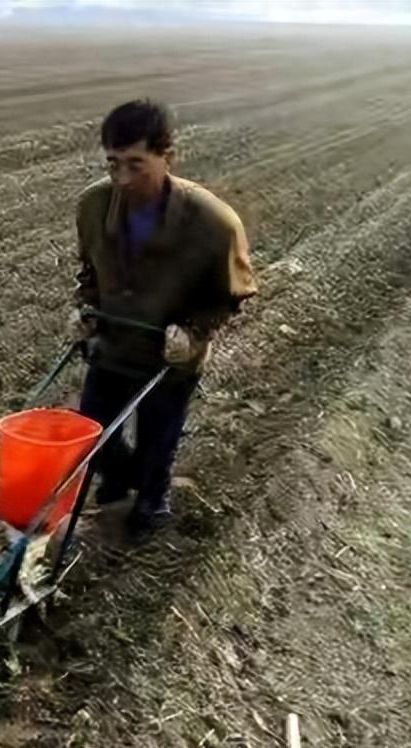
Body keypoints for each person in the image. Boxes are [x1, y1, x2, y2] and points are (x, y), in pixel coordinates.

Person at [72, 99, 256, 536]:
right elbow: (90, 270)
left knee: (158, 441)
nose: (122, 178)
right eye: (113, 163)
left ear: (167, 158)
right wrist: (85, 309)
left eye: (137, 164)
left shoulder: (213, 223)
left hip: (169, 357)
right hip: (113, 344)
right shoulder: (93, 206)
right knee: (94, 437)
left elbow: (232, 293)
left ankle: (152, 504)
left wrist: (193, 333)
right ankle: (117, 480)